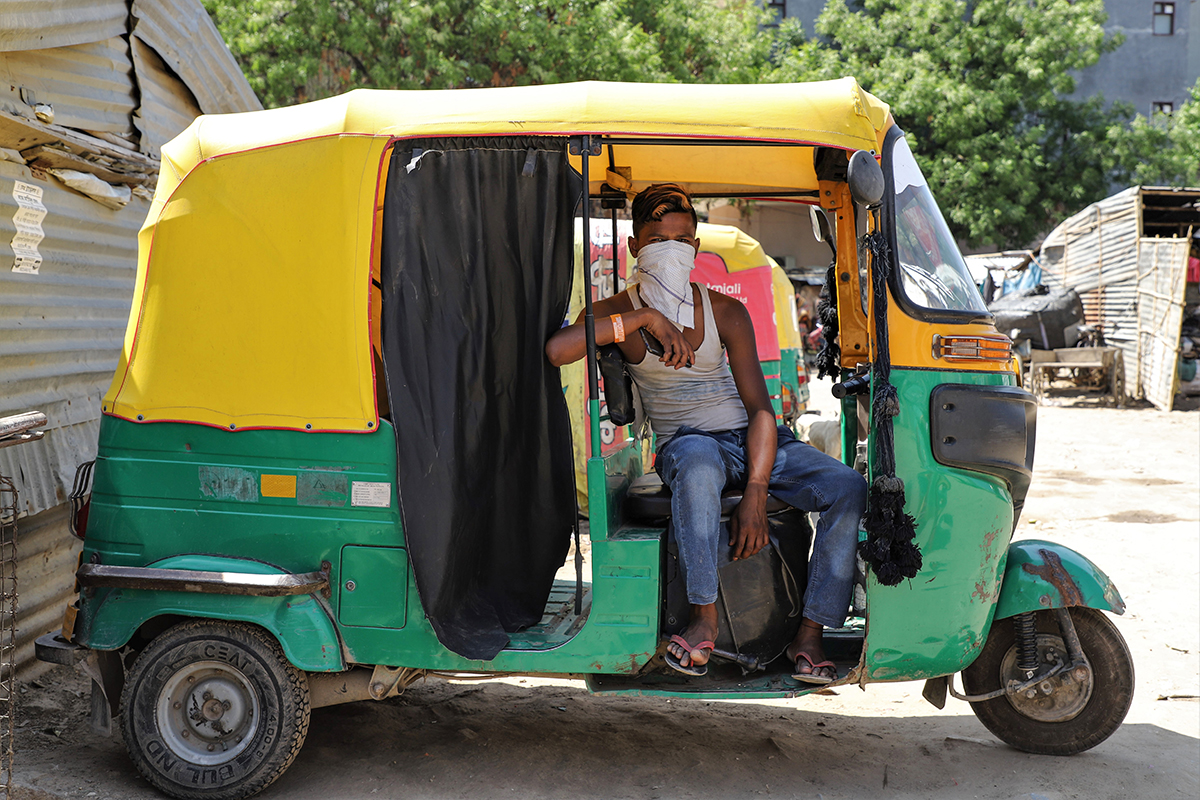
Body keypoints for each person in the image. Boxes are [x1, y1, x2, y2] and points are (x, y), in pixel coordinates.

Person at [545, 184, 867, 682]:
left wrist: (756, 489)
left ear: (695, 248)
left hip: (751, 440)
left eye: (681, 240)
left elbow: (761, 411)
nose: (670, 250)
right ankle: (704, 617)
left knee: (847, 486)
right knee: (696, 461)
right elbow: (558, 350)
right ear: (634, 246)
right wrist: (646, 317)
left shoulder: (725, 312)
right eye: (657, 240)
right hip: (688, 444)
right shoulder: (616, 313)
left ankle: (810, 631)